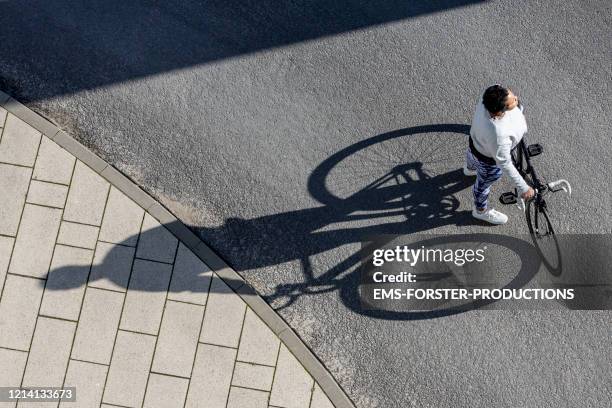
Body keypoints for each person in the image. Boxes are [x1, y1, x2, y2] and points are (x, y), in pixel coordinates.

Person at [464, 84, 535, 224]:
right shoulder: (498, 135)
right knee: (483, 185)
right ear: (499, 113)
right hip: (489, 161)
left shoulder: (488, 95)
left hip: (476, 143)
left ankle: (469, 169)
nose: (516, 98)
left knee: (472, 157)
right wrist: (524, 187)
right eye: (512, 101)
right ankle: (480, 211)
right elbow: (504, 163)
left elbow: (497, 87)